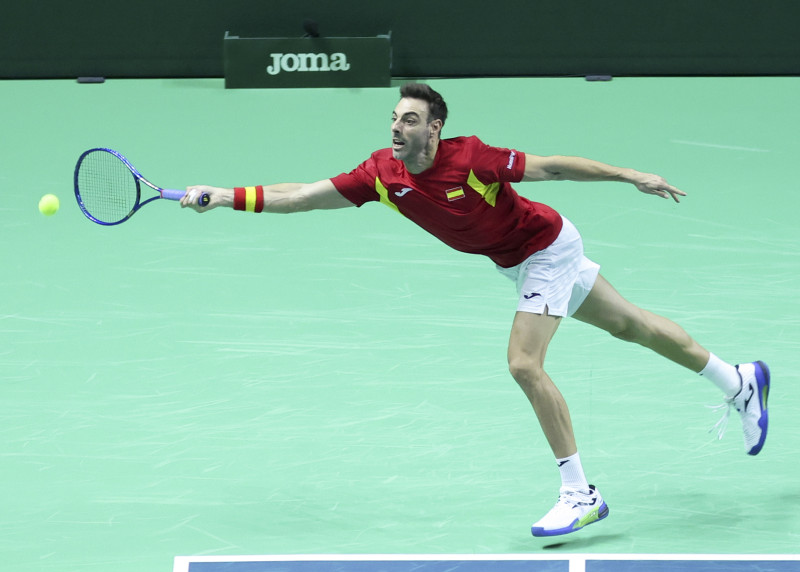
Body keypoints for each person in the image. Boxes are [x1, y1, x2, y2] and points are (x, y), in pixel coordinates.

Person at [180, 83, 770, 538]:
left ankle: (579, 494)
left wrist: (630, 175)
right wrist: (227, 196)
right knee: (631, 325)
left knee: (523, 363)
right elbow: (302, 195)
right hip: (516, 262)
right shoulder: (380, 175)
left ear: (435, 129)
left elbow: (554, 166)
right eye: (394, 117)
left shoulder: (473, 159)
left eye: (409, 119)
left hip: (545, 248)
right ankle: (738, 380)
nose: (396, 126)